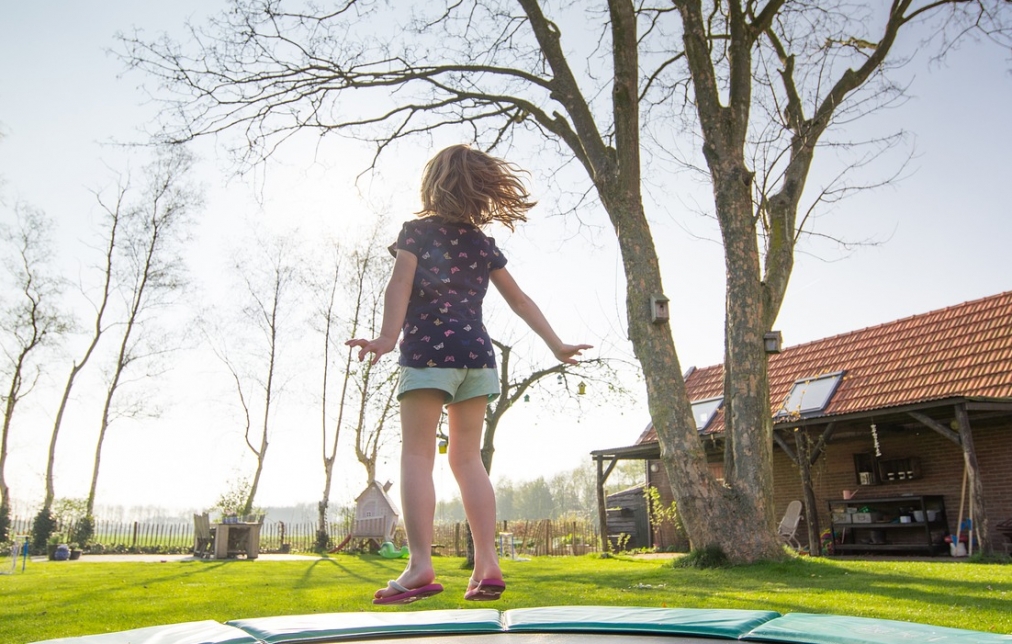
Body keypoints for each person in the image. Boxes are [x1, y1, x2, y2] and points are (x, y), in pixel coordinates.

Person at [347, 144, 591, 605]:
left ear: (433, 184)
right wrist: (556, 344)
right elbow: (520, 301)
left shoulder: (416, 233)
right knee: (467, 459)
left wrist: (384, 338)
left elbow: (398, 284)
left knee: (418, 456)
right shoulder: (482, 243)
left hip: (428, 356)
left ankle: (420, 565)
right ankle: (487, 563)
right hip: (477, 357)